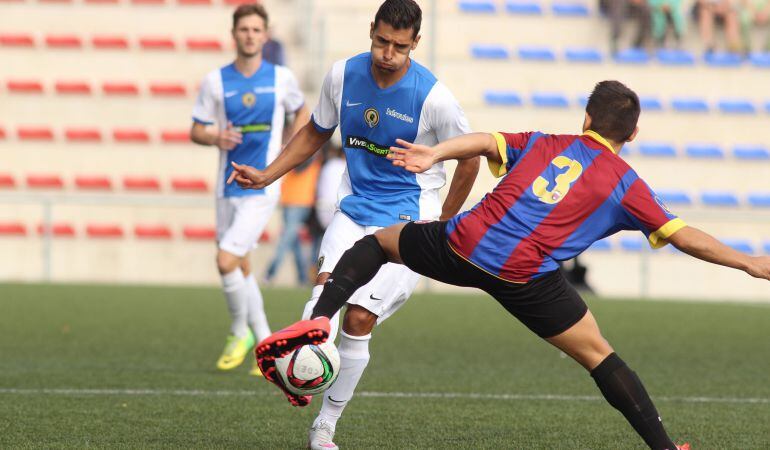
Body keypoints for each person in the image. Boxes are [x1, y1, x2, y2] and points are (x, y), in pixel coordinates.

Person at [251, 80, 770, 449]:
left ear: (585, 119)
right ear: (629, 137)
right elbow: (683, 236)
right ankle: (663, 447)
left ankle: (320, 315)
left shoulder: (548, 142)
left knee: (378, 243)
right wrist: (748, 263)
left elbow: (483, 141)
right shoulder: (626, 183)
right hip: (526, 275)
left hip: (464, 243)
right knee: (600, 357)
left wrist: (435, 156)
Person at [227, 0, 479, 447]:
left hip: (408, 222)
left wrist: (443, 223)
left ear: (415, 44)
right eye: (381, 41)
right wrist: (269, 175)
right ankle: (300, 370)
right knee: (323, 296)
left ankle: (325, 424)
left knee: (359, 318)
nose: (388, 53)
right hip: (353, 210)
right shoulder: (343, 75)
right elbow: (316, 130)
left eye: (400, 46)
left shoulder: (433, 97)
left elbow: (470, 157)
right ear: (371, 31)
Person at [189, 3, 310, 375]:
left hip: (262, 186)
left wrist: (290, 143)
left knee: (225, 260)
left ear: (265, 35)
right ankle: (266, 344)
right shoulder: (215, 81)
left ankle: (240, 331)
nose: (250, 35)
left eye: (257, 30)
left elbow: (303, 112)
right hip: (227, 187)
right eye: (244, 29)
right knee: (239, 265)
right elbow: (196, 129)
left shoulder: (280, 78)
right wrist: (214, 135)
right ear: (234, 34)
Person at [264, 156, 321, 285]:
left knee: (286, 239)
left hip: (300, 201)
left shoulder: (311, 151)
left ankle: (270, 273)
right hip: (289, 200)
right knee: (294, 242)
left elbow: (299, 166)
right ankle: (302, 277)